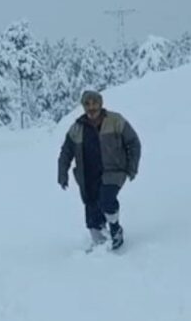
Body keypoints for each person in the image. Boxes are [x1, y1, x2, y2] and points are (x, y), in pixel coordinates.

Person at [57, 90, 141, 250]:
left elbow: (133, 143)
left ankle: (115, 230)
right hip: (88, 175)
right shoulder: (76, 128)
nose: (91, 107)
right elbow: (66, 152)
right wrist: (62, 174)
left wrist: (132, 167)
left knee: (106, 200)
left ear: (100, 103)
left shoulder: (116, 121)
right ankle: (100, 247)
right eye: (87, 104)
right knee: (91, 208)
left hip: (114, 172)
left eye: (94, 103)